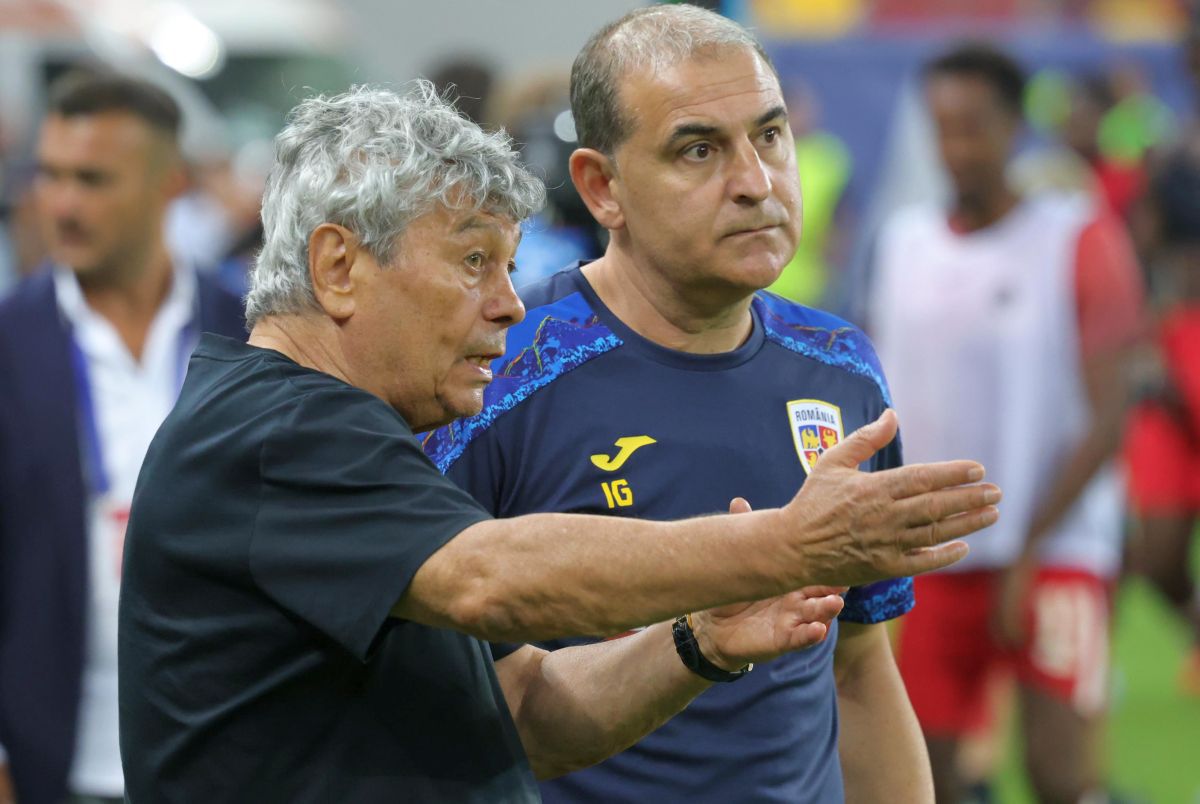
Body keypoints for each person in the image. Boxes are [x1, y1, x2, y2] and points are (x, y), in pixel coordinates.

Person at [117, 81, 1000, 801]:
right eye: (473, 262)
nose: (509, 303)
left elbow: (527, 711)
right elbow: (491, 577)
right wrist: (781, 545)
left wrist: (699, 641)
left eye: (509, 266)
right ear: (339, 267)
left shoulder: (351, 441)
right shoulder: (273, 430)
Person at [422, 6, 930, 802]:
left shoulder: (842, 369)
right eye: (699, 149)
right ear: (602, 187)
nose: (756, 183)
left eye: (770, 135)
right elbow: (437, 702)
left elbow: (859, 666)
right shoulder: (493, 376)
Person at [869, 44, 1145, 804]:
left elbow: (1110, 412)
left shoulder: (1075, 236)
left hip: (1056, 547)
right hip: (941, 552)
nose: (956, 147)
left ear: (1013, 127)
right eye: (942, 128)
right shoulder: (903, 244)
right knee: (930, 777)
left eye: (973, 127)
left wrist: (1029, 544)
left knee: (1060, 772)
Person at [0, 73, 245, 804]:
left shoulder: (250, 334)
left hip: (230, 753)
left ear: (170, 184)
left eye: (93, 180)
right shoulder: (9, 346)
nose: (62, 204)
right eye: (50, 175)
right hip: (52, 762)